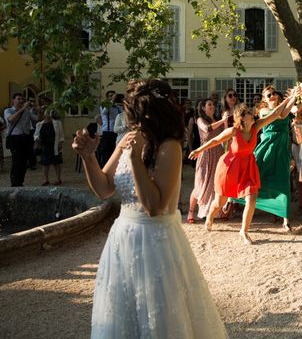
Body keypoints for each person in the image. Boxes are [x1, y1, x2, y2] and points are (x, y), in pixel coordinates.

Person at [72, 79, 228, 338]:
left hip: (155, 242)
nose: (129, 118)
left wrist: (136, 162)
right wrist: (88, 157)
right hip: (123, 238)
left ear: (146, 112)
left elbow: (155, 206)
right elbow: (104, 188)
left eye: (131, 110)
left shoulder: (170, 147)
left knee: (160, 318)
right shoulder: (128, 140)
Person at [190, 89, 298, 244]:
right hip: (230, 168)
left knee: (251, 198)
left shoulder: (256, 127)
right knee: (219, 202)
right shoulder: (234, 130)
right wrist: (199, 150)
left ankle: (244, 231)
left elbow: (275, 115)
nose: (252, 114)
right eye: (248, 112)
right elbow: (214, 141)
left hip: (248, 167)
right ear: (242, 117)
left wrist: (291, 98)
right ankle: (211, 216)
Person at [240, 85, 297, 230]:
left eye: (273, 93)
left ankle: (285, 219)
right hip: (267, 149)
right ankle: (234, 199)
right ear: (264, 99)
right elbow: (280, 115)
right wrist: (290, 99)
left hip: (282, 149)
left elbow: (286, 114)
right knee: (256, 179)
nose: (272, 95)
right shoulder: (263, 110)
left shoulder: (283, 108)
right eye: (268, 94)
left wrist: (296, 96)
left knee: (284, 182)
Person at [187, 99, 229, 223]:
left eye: (213, 104)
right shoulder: (200, 119)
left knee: (215, 185)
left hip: (218, 154)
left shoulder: (217, 120)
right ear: (203, 108)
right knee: (200, 184)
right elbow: (207, 129)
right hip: (205, 154)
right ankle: (191, 211)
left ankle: (216, 211)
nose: (212, 106)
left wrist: (225, 121)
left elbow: (225, 134)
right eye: (209, 104)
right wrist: (222, 120)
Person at [4, 93, 39, 187]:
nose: (21, 101)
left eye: (22, 99)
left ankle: (20, 182)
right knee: (16, 161)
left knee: (24, 162)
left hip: (26, 138)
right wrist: (22, 109)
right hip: (15, 138)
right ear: (13, 100)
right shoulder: (9, 110)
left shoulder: (27, 111)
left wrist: (38, 110)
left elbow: (37, 119)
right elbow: (10, 120)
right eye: (18, 99)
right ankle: (15, 183)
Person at [34, 109, 64, 186]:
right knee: (45, 163)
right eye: (46, 113)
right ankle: (45, 179)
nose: (48, 115)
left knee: (57, 163)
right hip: (45, 146)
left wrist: (60, 143)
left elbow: (61, 135)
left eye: (49, 113)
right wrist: (37, 138)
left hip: (55, 145)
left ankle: (58, 179)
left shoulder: (57, 123)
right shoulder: (39, 124)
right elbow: (35, 135)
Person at [97, 90, 122, 167]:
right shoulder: (104, 105)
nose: (112, 97)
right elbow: (104, 112)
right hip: (107, 132)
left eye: (113, 96)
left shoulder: (117, 107)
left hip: (116, 132)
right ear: (107, 98)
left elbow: (123, 115)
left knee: (114, 152)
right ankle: (104, 170)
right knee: (105, 153)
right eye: (110, 96)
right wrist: (112, 101)